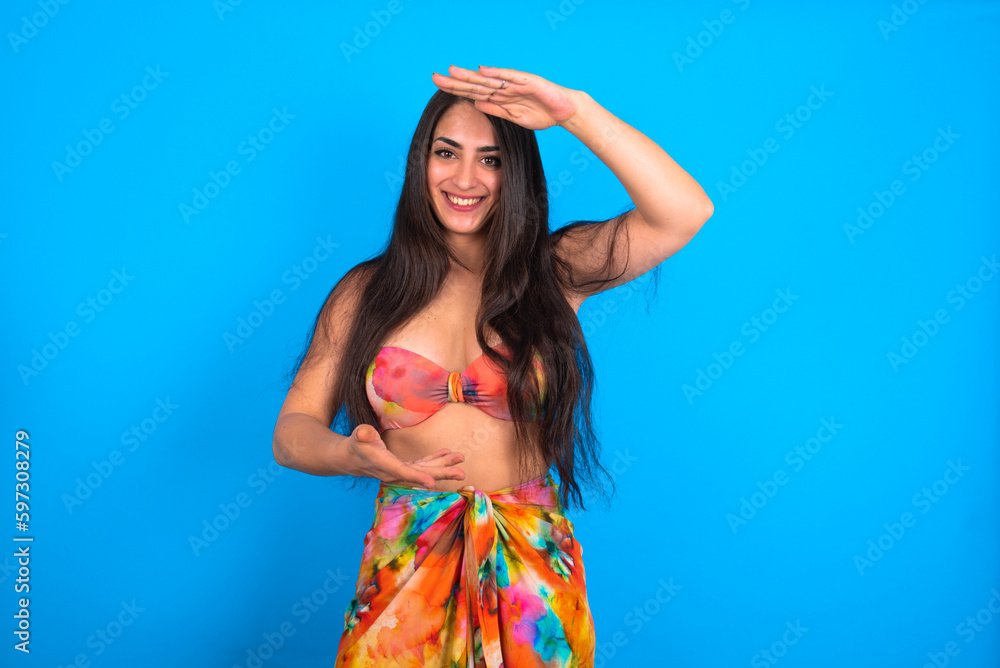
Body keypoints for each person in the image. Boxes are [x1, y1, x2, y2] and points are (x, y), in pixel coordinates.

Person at [272, 64, 712, 667]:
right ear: (420, 162)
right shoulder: (366, 292)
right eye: (446, 152)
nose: (464, 178)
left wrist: (576, 112)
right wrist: (351, 454)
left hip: (529, 570)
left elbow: (683, 212)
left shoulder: (555, 272)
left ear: (516, 173)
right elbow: (291, 433)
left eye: (491, 160)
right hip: (406, 561)